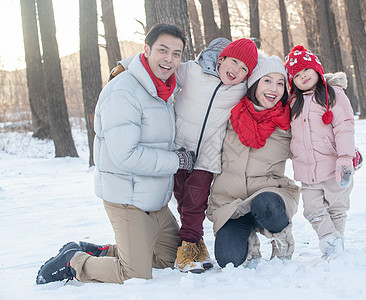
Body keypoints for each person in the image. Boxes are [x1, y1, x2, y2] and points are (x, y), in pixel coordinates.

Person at [36, 24, 194, 285]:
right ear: (147, 49)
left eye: (176, 54)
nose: (170, 59)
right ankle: (74, 261)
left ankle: (100, 252)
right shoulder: (124, 91)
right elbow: (126, 155)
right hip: (127, 197)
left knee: (170, 258)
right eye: (163, 50)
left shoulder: (163, 90)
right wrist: (176, 161)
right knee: (134, 273)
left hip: (153, 199)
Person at [113, 38, 258, 273]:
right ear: (221, 59)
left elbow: (267, 80)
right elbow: (158, 67)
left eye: (244, 69)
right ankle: (195, 244)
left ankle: (188, 246)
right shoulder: (192, 71)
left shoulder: (240, 89)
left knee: (195, 202)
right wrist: (124, 65)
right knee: (182, 200)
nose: (237, 71)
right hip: (179, 149)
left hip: (207, 157)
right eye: (234, 62)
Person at [207, 54, 300, 268]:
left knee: (265, 203)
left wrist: (344, 153)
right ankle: (248, 240)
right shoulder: (230, 115)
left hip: (268, 195)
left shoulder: (286, 123)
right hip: (231, 203)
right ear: (254, 83)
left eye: (279, 83)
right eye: (267, 81)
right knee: (228, 259)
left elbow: (311, 144)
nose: (274, 89)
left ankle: (282, 239)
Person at [285, 45, 355, 260]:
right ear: (292, 81)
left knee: (336, 209)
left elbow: (345, 125)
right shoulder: (293, 102)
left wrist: (345, 157)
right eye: (296, 74)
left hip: (335, 166)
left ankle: (335, 248)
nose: (303, 76)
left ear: (316, 69)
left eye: (306, 70)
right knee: (312, 210)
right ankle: (329, 238)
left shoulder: (333, 95)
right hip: (307, 171)